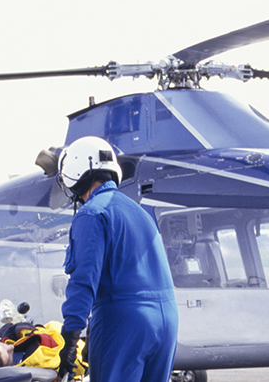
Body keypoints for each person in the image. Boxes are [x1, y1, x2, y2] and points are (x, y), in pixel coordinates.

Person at [57, 136, 179, 382]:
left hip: (123, 321)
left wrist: (71, 337)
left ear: (75, 171)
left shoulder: (92, 214)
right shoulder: (139, 211)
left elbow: (83, 280)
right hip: (166, 321)